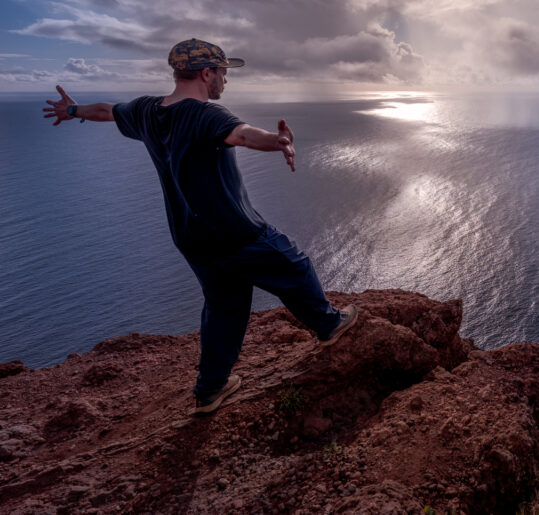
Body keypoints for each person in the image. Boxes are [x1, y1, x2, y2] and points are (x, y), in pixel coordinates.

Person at [43, 38, 358, 415]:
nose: (225, 81)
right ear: (206, 73)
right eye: (223, 72)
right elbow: (242, 134)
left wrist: (72, 109)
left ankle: (211, 389)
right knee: (294, 265)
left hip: (190, 237)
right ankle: (328, 324)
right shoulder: (205, 114)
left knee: (225, 307)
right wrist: (278, 141)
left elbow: (107, 111)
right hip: (232, 231)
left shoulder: (145, 110)